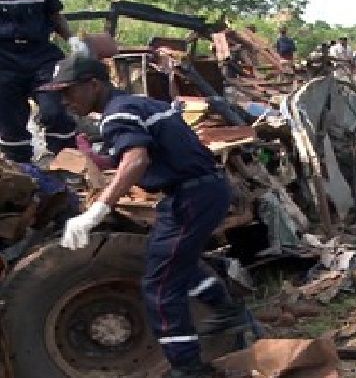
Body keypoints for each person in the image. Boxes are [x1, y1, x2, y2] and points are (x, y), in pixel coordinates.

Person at [40, 56, 251, 378]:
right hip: (199, 190)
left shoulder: (117, 114)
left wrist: (97, 210)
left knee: (160, 286)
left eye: (69, 91)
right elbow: (148, 150)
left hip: (191, 196)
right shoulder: (137, 103)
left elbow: (136, 159)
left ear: (93, 84)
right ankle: (226, 308)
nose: (65, 101)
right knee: (167, 259)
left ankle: (189, 367)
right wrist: (101, 156)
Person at [0, 0, 88, 163]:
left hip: (41, 56)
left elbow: (55, 15)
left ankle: (69, 164)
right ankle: (21, 172)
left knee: (56, 110)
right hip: (4, 61)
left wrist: (71, 39)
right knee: (10, 120)